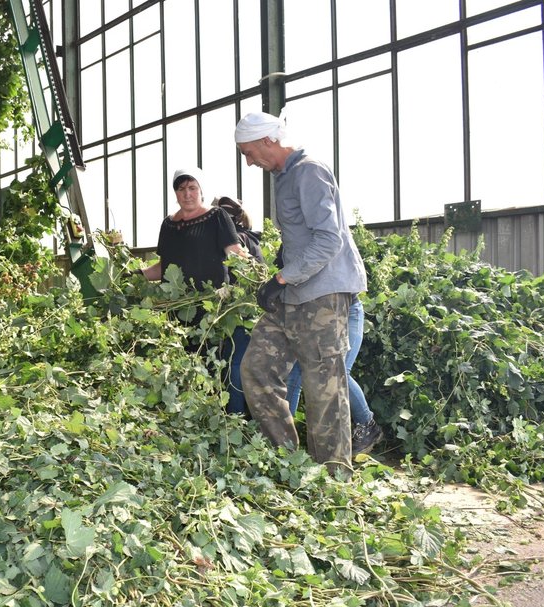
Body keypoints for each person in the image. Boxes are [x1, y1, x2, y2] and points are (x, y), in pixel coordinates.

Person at [234, 111, 370, 475]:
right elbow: (302, 235)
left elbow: (329, 239)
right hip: (296, 291)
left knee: (323, 384)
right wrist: (281, 265)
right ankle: (287, 459)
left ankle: (334, 477)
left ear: (268, 141)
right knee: (257, 366)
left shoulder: (309, 170)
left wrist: (281, 279)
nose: (248, 162)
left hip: (323, 294)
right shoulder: (284, 176)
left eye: (249, 152)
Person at [141, 167, 249, 413]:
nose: (187, 194)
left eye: (192, 188)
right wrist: (135, 275)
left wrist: (250, 274)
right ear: (175, 192)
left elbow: (235, 255)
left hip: (212, 310)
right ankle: (190, 415)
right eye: (181, 189)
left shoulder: (216, 217)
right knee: (184, 364)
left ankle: (224, 417)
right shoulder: (168, 225)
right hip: (178, 310)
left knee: (215, 365)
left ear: (201, 190)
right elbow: (163, 267)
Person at [285, 295, 384, 454]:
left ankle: (367, 425)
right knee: (296, 372)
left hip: (347, 313)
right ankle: (285, 436)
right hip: (310, 317)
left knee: (340, 372)